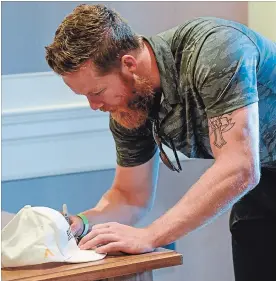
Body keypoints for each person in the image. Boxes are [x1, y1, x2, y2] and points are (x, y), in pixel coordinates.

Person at [45, 4, 276, 281]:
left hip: (251, 171)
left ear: (128, 64)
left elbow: (239, 167)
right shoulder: (129, 106)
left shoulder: (215, 50)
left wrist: (150, 235)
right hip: (261, 187)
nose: (94, 106)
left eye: (97, 92)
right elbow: (130, 196)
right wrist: (80, 223)